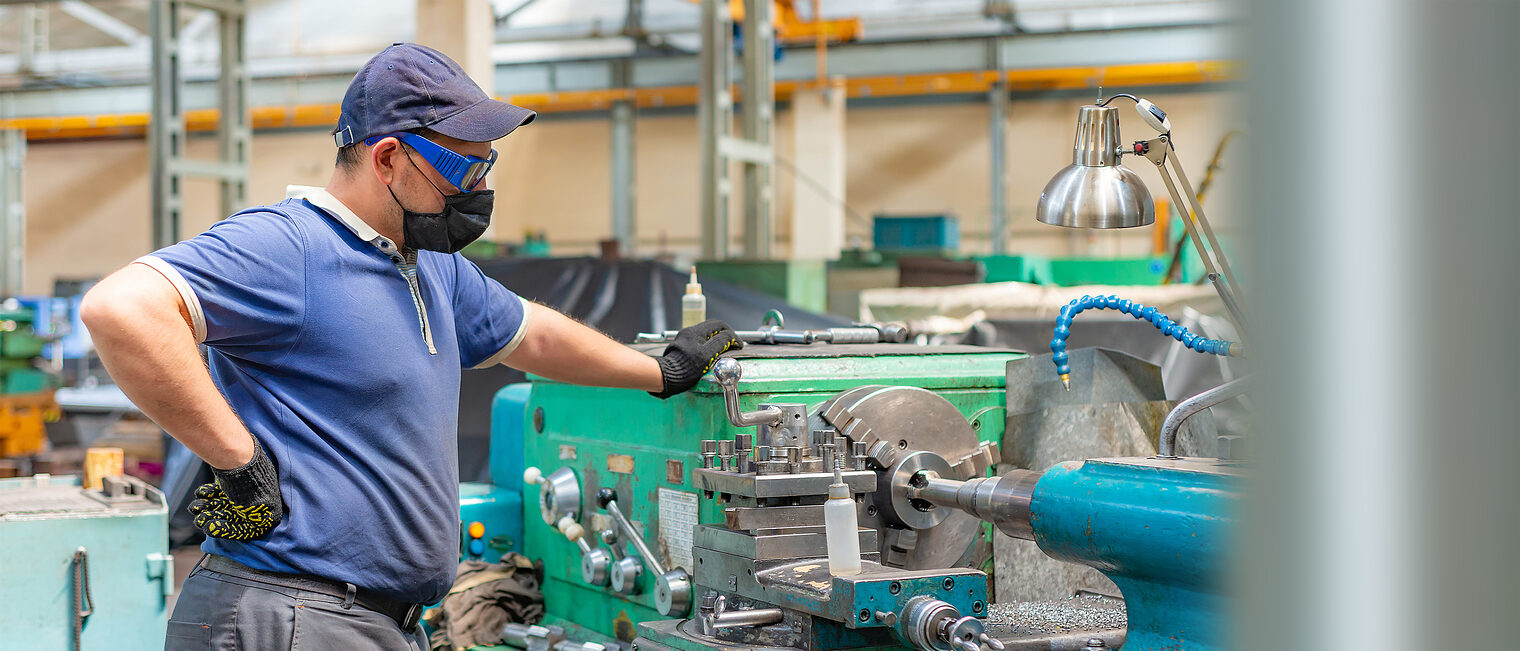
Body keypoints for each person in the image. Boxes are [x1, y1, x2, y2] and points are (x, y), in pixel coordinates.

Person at [80, 43, 740, 651]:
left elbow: (532, 333)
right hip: (291, 611)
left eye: (487, 163)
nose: (478, 187)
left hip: (375, 619)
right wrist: (237, 457)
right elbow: (122, 310)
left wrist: (662, 369)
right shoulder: (292, 247)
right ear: (388, 158)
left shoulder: (426, 265)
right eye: (462, 165)